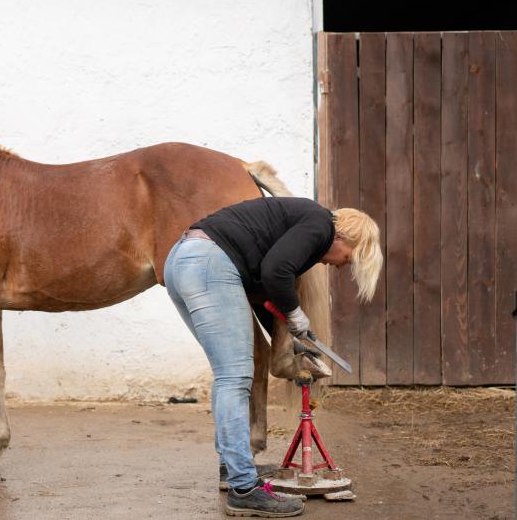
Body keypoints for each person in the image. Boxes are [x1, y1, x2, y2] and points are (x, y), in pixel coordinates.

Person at [164, 196, 382, 518]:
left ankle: (232, 468)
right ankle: (243, 489)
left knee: (229, 375)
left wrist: (289, 335)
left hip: (183, 261)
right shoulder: (321, 225)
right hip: (208, 264)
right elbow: (276, 271)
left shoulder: (300, 222)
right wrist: (296, 315)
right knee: (235, 377)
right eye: (348, 259)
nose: (338, 265)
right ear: (346, 238)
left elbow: (266, 281)